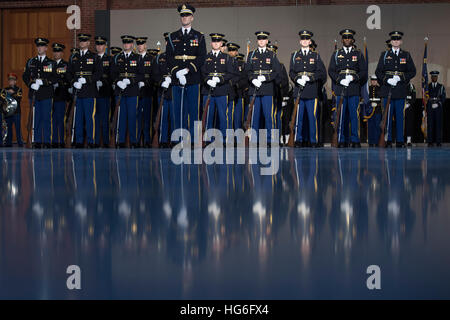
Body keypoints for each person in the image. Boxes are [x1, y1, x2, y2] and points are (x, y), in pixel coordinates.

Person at [166, 4, 206, 145]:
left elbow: (201, 57)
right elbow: (169, 57)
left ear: (192, 18)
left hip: (193, 78)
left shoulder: (199, 36)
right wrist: (177, 72)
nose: (185, 17)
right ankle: (179, 139)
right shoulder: (172, 37)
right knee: (178, 110)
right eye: (182, 15)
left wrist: (188, 69)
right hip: (177, 79)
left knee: (194, 111)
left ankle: (195, 140)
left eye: (187, 15)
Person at [375, 31, 416, 148]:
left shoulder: (406, 55)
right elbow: (378, 71)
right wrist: (387, 80)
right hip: (387, 89)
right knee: (387, 116)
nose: (396, 41)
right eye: (394, 39)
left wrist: (401, 77)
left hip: (400, 90)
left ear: (401, 41)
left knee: (399, 117)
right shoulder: (384, 54)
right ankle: (387, 139)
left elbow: (413, 71)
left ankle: (399, 140)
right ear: (391, 41)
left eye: (398, 39)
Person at [328, 29, 367, 148]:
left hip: (354, 88)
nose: (347, 40)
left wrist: (353, 77)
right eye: (345, 38)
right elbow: (331, 71)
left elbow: (364, 71)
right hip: (340, 88)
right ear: (342, 40)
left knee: (354, 116)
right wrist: (340, 79)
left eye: (349, 37)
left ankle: (355, 140)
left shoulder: (358, 54)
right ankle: (341, 139)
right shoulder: (336, 54)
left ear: (352, 39)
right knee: (341, 115)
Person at [289, 30, 326, 147]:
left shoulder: (315, 56)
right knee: (298, 117)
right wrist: (297, 79)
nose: (305, 41)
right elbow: (291, 72)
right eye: (303, 39)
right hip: (299, 90)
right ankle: (298, 140)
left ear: (310, 42)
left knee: (312, 117)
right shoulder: (294, 55)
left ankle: (313, 140)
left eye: (307, 39)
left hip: (311, 90)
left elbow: (320, 72)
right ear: (300, 41)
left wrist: (310, 79)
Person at [246, 31, 281, 145]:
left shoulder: (272, 55)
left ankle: (271, 140)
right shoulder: (251, 54)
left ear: (266, 41)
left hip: (267, 88)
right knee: (254, 115)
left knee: (268, 115)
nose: (261, 41)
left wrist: (265, 78)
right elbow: (247, 70)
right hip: (254, 87)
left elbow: (277, 71)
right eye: (259, 39)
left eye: (263, 39)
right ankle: (254, 140)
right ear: (257, 41)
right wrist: (253, 79)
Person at [67, 33, 102, 148]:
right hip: (78, 92)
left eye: (84, 41)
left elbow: (98, 73)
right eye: (80, 41)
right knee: (78, 118)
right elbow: (68, 73)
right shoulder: (73, 57)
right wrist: (73, 82)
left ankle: (91, 141)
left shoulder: (94, 56)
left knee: (89, 118)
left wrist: (87, 80)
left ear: (88, 43)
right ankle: (79, 141)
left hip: (89, 92)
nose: (82, 43)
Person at [111, 35, 145, 148]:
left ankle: (133, 141)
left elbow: (141, 74)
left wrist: (131, 81)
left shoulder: (138, 57)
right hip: (120, 91)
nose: (126, 45)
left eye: (128, 43)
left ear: (132, 45)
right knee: (121, 116)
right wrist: (118, 82)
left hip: (132, 91)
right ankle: (120, 141)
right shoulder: (117, 57)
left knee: (132, 116)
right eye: (124, 43)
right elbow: (113, 73)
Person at [200, 33, 235, 143]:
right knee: (208, 115)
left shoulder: (226, 57)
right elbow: (202, 72)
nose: (216, 43)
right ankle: (208, 139)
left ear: (221, 44)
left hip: (221, 90)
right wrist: (208, 80)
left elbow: (230, 73)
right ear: (211, 43)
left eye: (218, 42)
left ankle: (224, 139)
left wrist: (220, 80)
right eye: (214, 42)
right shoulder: (206, 57)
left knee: (222, 116)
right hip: (208, 90)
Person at [23, 37, 57, 148]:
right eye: (38, 46)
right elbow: (25, 76)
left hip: (46, 94)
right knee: (36, 118)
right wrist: (30, 84)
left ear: (46, 48)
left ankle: (47, 141)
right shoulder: (31, 61)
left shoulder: (51, 62)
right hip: (34, 94)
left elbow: (55, 78)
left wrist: (43, 82)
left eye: (42, 46)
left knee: (47, 118)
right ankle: (37, 141)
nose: (40, 48)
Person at [151, 32, 173, 147]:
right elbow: (154, 74)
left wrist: (172, 80)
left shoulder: (178, 58)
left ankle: (174, 140)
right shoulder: (159, 57)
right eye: (167, 41)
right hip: (163, 92)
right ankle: (163, 140)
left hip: (174, 92)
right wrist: (161, 82)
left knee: (174, 118)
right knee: (163, 117)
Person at [94, 36, 113, 147]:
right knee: (95, 118)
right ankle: (96, 141)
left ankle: (106, 142)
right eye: (98, 44)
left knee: (105, 118)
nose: (99, 46)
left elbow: (111, 76)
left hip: (105, 92)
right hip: (94, 93)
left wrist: (103, 82)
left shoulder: (109, 59)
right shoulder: (92, 58)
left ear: (105, 47)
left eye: (101, 44)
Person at [136, 36, 154, 147]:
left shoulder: (151, 59)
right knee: (137, 118)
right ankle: (137, 140)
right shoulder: (135, 58)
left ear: (145, 45)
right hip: (137, 92)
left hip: (147, 91)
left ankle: (148, 140)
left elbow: (153, 75)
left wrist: (145, 83)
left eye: (141, 44)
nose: (140, 46)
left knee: (148, 118)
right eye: (138, 44)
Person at [51, 43, 70, 148]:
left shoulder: (65, 65)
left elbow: (67, 79)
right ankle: (53, 140)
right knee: (52, 119)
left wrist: (59, 83)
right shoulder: (50, 64)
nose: (56, 53)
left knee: (60, 119)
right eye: (54, 51)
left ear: (62, 53)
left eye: (58, 51)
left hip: (61, 95)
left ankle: (61, 140)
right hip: (50, 96)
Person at [426, 70, 446, 147]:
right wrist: (430, 104)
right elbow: (426, 97)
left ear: (437, 77)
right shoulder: (428, 86)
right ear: (431, 77)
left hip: (438, 108)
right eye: (433, 76)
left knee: (438, 125)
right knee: (430, 125)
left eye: (435, 76)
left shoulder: (441, 87)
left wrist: (438, 103)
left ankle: (438, 141)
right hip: (430, 107)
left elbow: (443, 97)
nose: (434, 78)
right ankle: (430, 141)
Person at [3, 73, 23, 147]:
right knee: (9, 128)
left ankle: (20, 142)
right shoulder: (5, 89)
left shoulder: (19, 89)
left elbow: (19, 98)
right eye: (10, 80)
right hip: (8, 112)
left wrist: (13, 93)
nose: (11, 82)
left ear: (15, 81)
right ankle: (8, 142)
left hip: (16, 112)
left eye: (12, 80)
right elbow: (3, 99)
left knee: (18, 128)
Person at [365, 75, 382, 146]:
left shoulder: (380, 88)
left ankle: (377, 141)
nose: (374, 81)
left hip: (378, 109)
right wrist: (370, 105)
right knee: (370, 126)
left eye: (375, 80)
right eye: (372, 80)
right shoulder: (368, 89)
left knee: (377, 126)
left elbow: (382, 100)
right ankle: (371, 142)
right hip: (370, 110)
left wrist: (377, 104)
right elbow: (365, 99)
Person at [404, 82, 416, 147]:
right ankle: (401, 140)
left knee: (409, 124)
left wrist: (409, 104)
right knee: (401, 124)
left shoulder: (411, 86)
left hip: (409, 108)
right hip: (401, 107)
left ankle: (409, 140)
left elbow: (414, 97)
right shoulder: (401, 84)